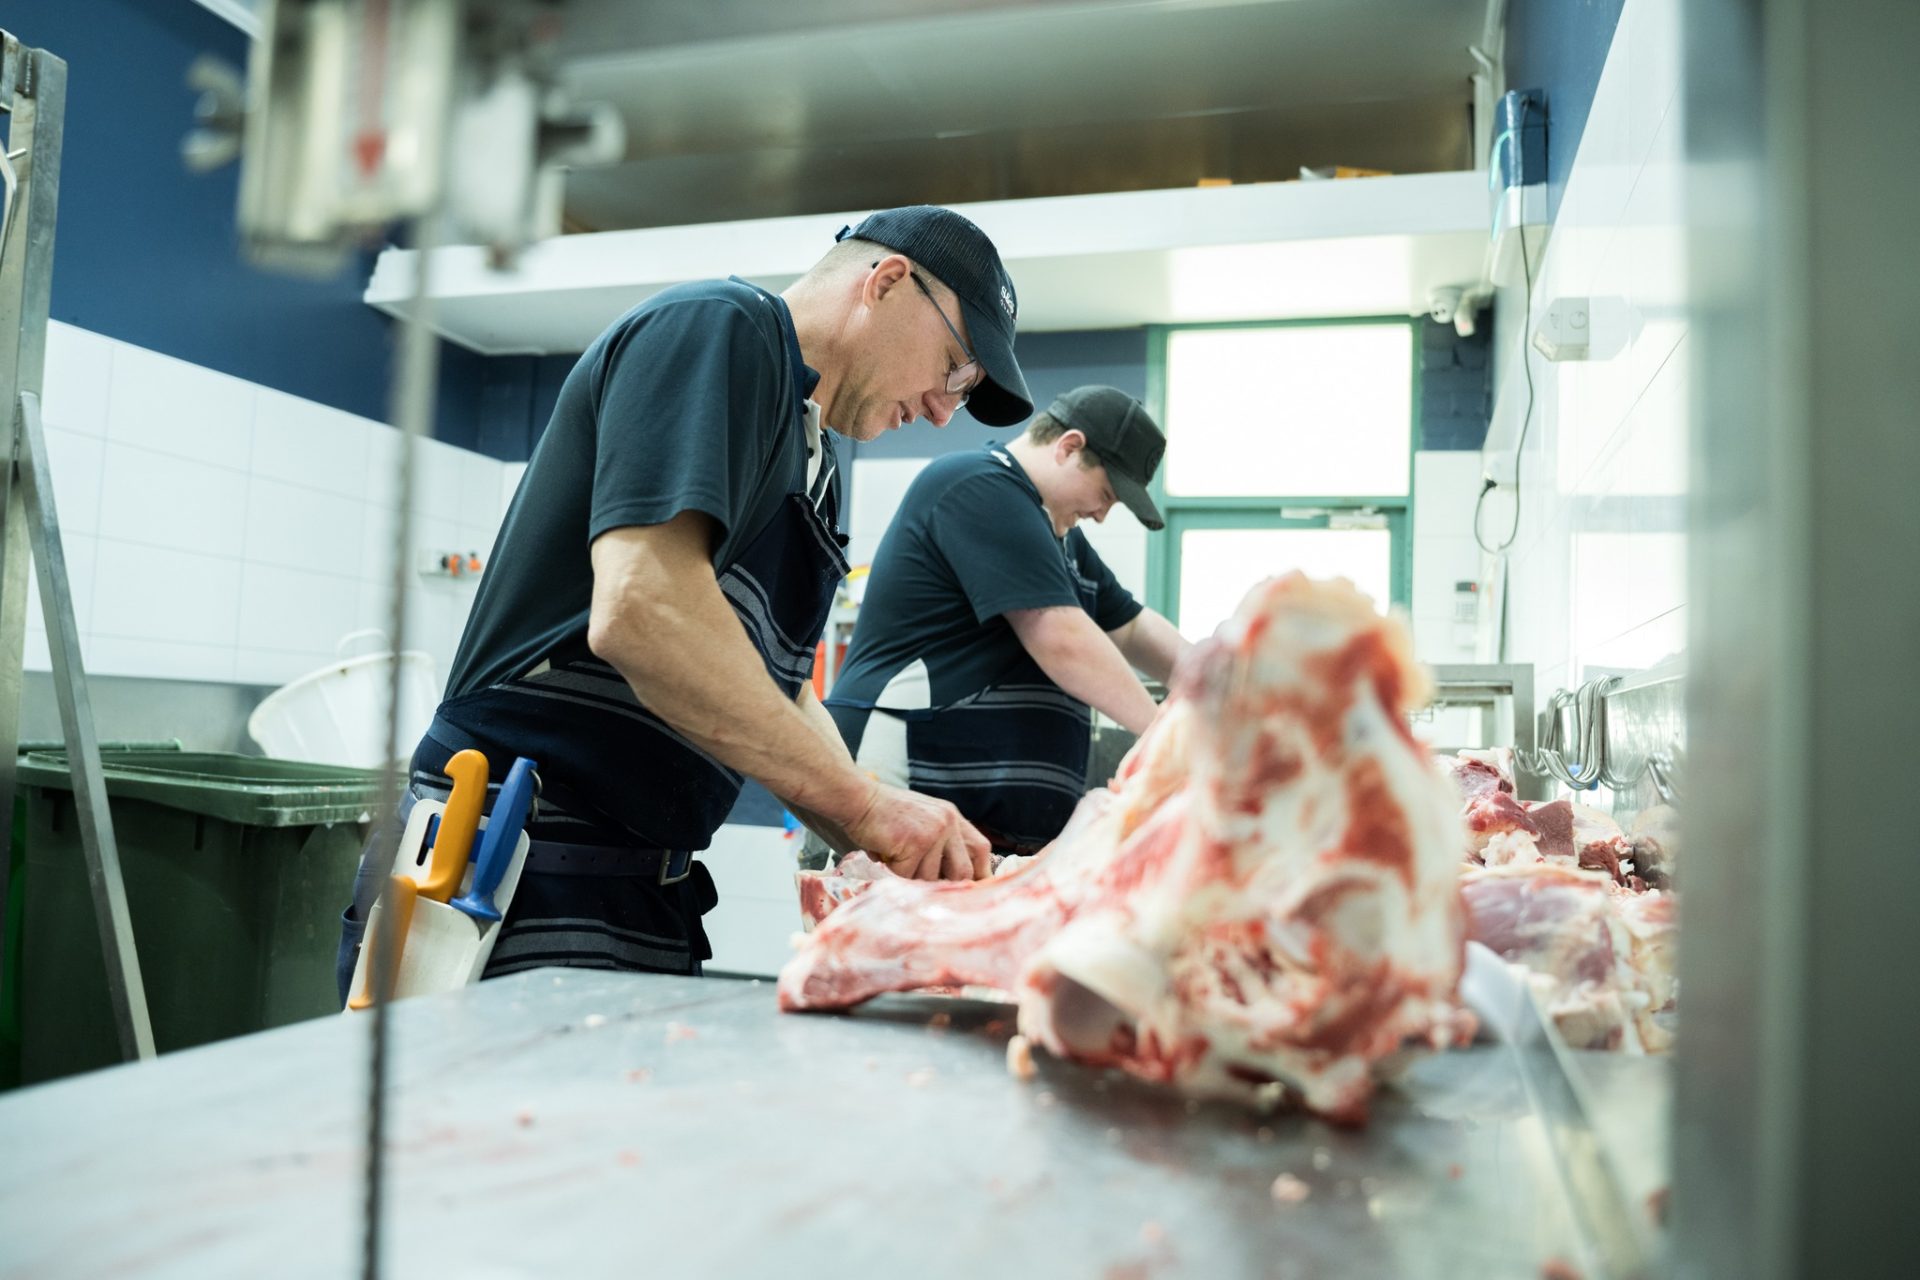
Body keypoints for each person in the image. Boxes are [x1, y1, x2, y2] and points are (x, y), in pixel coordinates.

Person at [336, 206, 1034, 998]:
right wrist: (866, 804)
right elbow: (644, 609)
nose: (946, 410)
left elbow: (779, 691)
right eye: (953, 368)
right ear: (886, 282)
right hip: (501, 869)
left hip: (638, 888)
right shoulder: (722, 329)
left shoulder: (819, 465)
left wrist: (883, 837)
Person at [819, 386, 1190, 861]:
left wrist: (1215, 675)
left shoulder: (1061, 539)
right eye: (1105, 495)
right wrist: (1169, 741)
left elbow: (1133, 629)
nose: (1100, 515)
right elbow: (1061, 638)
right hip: (904, 780)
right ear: (1069, 447)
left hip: (990, 831)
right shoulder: (977, 485)